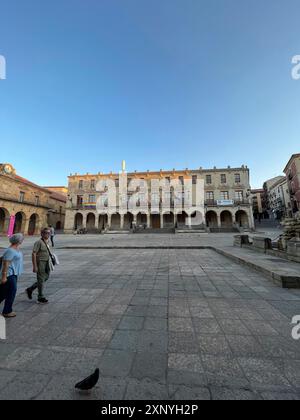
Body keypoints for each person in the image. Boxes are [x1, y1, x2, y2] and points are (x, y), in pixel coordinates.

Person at [0, 234, 24, 318]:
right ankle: (7, 311)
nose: (22, 240)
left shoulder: (16, 249)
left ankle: (7, 310)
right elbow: (6, 263)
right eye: (21, 239)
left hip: (14, 274)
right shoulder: (10, 250)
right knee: (11, 292)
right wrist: (4, 276)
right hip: (9, 274)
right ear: (18, 240)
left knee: (3, 292)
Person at [26, 228, 52, 304]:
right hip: (40, 263)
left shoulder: (48, 242)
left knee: (46, 277)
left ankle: (30, 289)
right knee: (41, 279)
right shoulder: (38, 242)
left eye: (49, 233)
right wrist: (35, 266)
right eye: (46, 233)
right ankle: (40, 297)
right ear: (42, 234)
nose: (48, 234)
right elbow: (33, 253)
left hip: (47, 263)